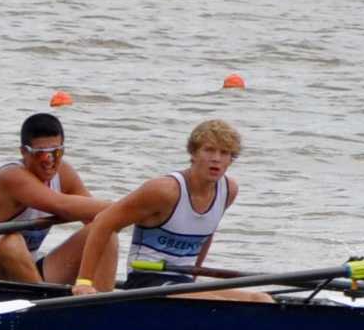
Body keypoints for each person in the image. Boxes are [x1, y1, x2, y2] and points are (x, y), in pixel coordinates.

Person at [71, 119, 270, 303]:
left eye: (224, 153)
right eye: (209, 150)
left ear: (231, 159)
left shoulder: (228, 191)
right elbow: (103, 222)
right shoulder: (164, 191)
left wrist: (193, 277)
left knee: (260, 299)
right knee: (220, 303)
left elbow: (206, 235)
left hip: (181, 282)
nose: (216, 159)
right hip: (146, 283)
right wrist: (84, 282)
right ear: (193, 153)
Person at [0, 113, 111, 284]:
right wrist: (134, 206)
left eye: (56, 152)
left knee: (104, 228)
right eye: (41, 153)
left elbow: (96, 215)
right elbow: (62, 205)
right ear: (24, 152)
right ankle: (44, 302)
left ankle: (101, 304)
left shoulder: (64, 173)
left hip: (28, 271)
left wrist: (130, 214)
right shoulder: (11, 176)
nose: (50, 160)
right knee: (11, 241)